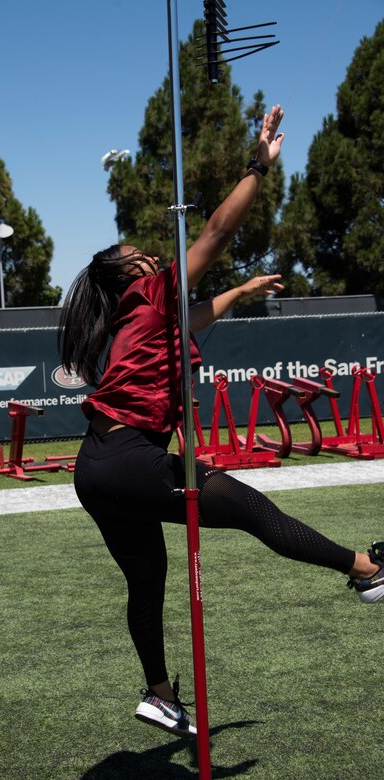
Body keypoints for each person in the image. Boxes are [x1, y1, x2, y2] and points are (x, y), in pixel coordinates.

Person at [58, 105, 384, 739]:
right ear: (128, 275)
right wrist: (255, 165)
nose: (150, 255)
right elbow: (215, 233)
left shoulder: (134, 317)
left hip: (95, 467)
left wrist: (238, 294)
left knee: (148, 580)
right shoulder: (148, 294)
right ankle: (366, 572)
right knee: (255, 511)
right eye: (139, 255)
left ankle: (158, 696)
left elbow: (196, 319)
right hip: (132, 458)